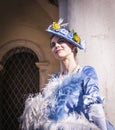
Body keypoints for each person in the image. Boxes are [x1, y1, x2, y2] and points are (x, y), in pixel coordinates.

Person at [20, 18, 114, 130]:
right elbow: (45, 111)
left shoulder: (85, 72)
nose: (56, 46)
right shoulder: (54, 79)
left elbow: (95, 105)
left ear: (73, 46)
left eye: (61, 41)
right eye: (53, 44)